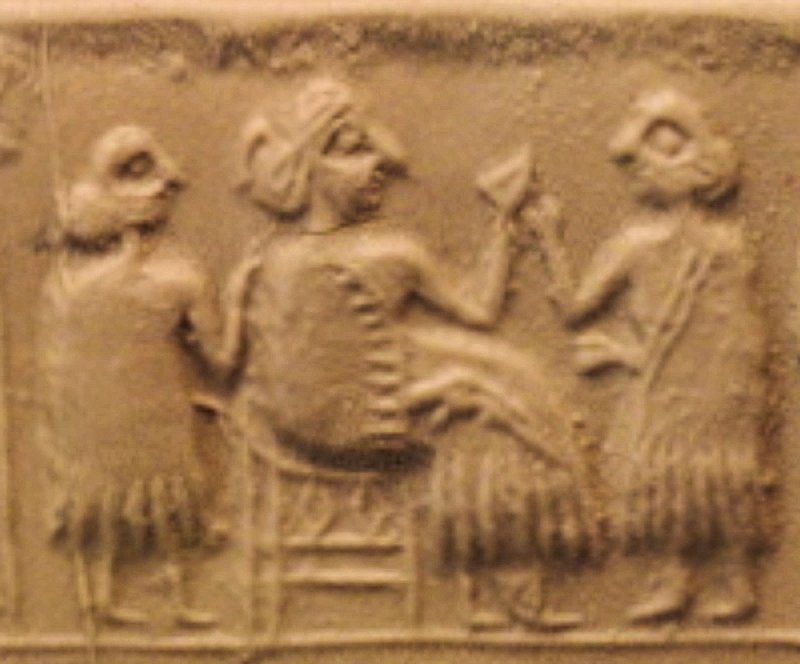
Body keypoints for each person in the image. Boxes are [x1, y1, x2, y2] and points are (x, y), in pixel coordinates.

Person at [234, 79, 599, 630]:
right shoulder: (387, 254)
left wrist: (502, 224)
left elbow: (475, 317)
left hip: (300, 420)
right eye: (354, 149)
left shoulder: (273, 257)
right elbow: (479, 312)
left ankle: (491, 590)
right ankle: (511, 591)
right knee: (498, 415)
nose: (378, 164)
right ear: (309, 166)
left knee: (501, 384)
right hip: (356, 419)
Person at [530, 89, 767, 623]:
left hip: (716, 391)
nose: (637, 165)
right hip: (661, 390)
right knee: (662, 481)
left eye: (658, 148)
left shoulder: (727, 247)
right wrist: (548, 240)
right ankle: (671, 582)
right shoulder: (633, 245)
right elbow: (576, 308)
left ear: (701, 164)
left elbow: (743, 329)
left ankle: (735, 582)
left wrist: (745, 392)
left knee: (721, 480)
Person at [38, 125, 257, 628]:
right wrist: (241, 297)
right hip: (156, 426)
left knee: (110, 503)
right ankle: (176, 602)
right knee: (170, 499)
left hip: (92, 436)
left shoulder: (64, 286)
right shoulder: (181, 279)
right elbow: (223, 364)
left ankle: (102, 599)